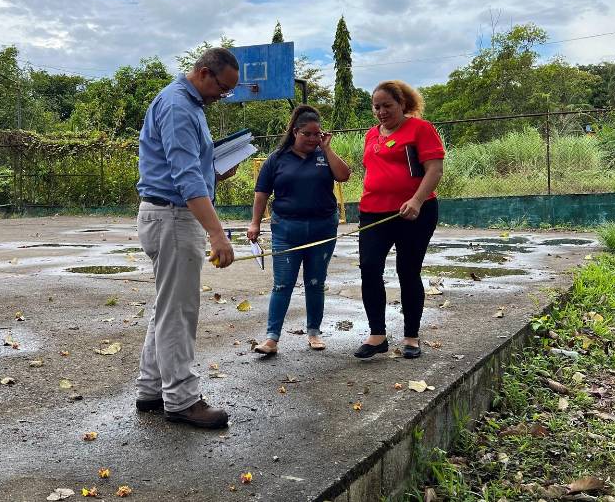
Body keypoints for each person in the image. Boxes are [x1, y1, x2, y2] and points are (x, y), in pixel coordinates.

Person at [134, 47, 240, 429]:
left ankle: (151, 389)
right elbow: (184, 176)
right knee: (179, 312)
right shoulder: (180, 106)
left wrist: (217, 174)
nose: (222, 96)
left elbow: (189, 166)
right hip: (173, 216)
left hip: (167, 213)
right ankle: (181, 399)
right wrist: (217, 234)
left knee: (168, 307)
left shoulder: (188, 103)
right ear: (203, 72)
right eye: (222, 88)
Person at [247, 105, 351, 355]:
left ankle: (314, 332)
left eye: (318, 134)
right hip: (286, 229)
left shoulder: (323, 154)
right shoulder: (276, 158)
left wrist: (326, 149)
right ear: (295, 132)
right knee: (282, 284)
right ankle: (272, 339)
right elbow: (262, 193)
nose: (314, 139)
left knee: (315, 282)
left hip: (323, 228)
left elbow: (344, 175)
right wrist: (255, 223)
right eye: (308, 134)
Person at [354, 80, 445, 360]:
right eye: (376, 107)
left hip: (414, 212)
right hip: (373, 212)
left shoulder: (421, 129)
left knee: (407, 271)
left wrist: (416, 200)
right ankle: (377, 335)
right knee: (369, 268)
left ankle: (411, 336)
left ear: (402, 104)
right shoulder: (371, 135)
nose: (381, 112)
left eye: (387, 106)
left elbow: (435, 169)